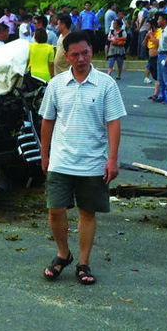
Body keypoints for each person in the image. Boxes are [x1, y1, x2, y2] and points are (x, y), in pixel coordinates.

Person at [39, 31, 126, 285]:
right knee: (55, 211)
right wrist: (44, 155)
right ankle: (63, 254)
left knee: (87, 212)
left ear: (92, 52)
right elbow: (47, 121)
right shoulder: (56, 85)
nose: (81, 59)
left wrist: (112, 158)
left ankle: (84, 263)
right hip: (61, 161)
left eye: (85, 52)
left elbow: (113, 123)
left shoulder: (106, 84)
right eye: (75, 54)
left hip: (93, 163)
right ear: (66, 56)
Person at [155, 13, 167, 104]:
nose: (158, 21)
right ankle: (161, 95)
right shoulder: (161, 30)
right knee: (160, 78)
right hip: (160, 55)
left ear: (164, 20)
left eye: (159, 19)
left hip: (166, 54)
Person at [144, 19, 161, 100]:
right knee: (155, 76)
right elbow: (144, 44)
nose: (147, 27)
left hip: (157, 56)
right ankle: (156, 93)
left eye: (148, 25)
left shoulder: (159, 32)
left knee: (158, 76)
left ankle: (157, 94)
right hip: (151, 57)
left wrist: (151, 36)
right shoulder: (149, 33)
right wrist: (147, 37)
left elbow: (158, 43)